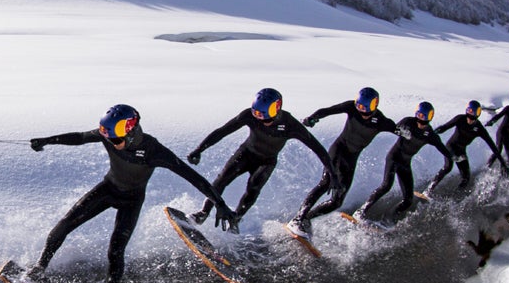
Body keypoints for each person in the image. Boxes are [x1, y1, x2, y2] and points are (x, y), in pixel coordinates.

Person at [28, 104, 234, 283]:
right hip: (107, 188)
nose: (113, 144)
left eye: (117, 140)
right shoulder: (110, 135)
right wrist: (47, 140)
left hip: (131, 201)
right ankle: (39, 269)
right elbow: (79, 137)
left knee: (115, 251)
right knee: (66, 223)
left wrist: (219, 203)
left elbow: (191, 176)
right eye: (109, 140)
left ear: (133, 132)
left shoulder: (153, 150)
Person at [186, 88, 338, 233]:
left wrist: (332, 174)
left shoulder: (290, 124)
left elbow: (318, 148)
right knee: (221, 180)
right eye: (257, 114)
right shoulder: (248, 116)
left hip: (266, 162)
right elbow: (223, 131)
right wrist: (199, 149)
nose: (261, 119)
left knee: (253, 189)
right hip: (245, 154)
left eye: (264, 115)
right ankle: (203, 213)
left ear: (277, 108)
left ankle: (236, 219)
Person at [286, 88, 398, 238]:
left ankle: (307, 219)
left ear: (375, 105)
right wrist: (313, 118)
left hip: (351, 158)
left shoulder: (381, 121)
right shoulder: (351, 107)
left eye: (365, 107)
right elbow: (328, 110)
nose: (361, 110)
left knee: (337, 201)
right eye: (359, 106)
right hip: (338, 151)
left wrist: (406, 132)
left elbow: (399, 130)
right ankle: (298, 218)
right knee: (326, 183)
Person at [353, 102, 452, 222]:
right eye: (419, 115)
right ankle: (360, 212)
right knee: (386, 186)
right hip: (394, 158)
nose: (421, 120)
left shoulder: (430, 134)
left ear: (430, 117)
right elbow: (394, 128)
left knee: (408, 200)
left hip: (405, 164)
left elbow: (443, 149)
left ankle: (388, 219)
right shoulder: (408, 122)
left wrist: (452, 158)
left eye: (425, 117)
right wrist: (400, 130)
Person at [426, 101, 509, 193]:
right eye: (469, 111)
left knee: (466, 178)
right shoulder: (460, 119)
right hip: (451, 147)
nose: (470, 117)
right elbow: (444, 127)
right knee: (448, 167)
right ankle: (428, 190)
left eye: (473, 113)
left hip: (461, 151)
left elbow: (492, 145)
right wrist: (434, 132)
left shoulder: (479, 128)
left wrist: (503, 163)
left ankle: (455, 196)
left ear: (478, 114)